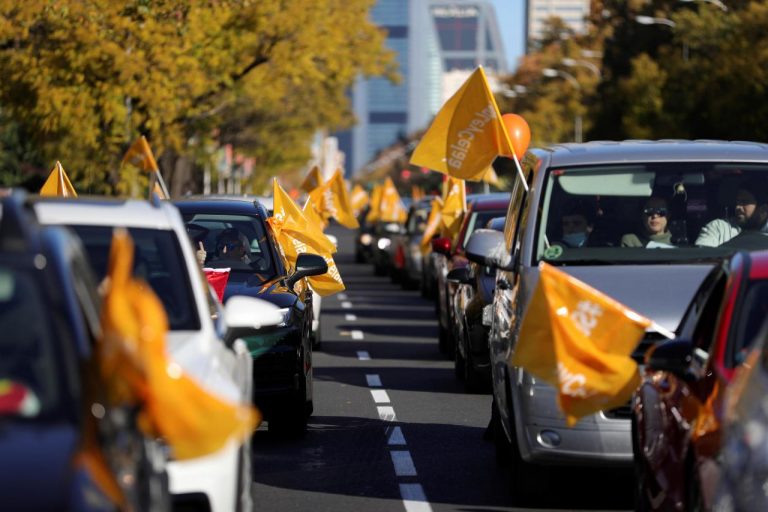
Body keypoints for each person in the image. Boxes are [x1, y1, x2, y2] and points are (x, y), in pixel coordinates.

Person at [696, 185, 768, 247]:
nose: (738, 207)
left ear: (763, 210)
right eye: (737, 202)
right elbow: (700, 258)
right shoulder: (719, 228)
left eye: (744, 202)